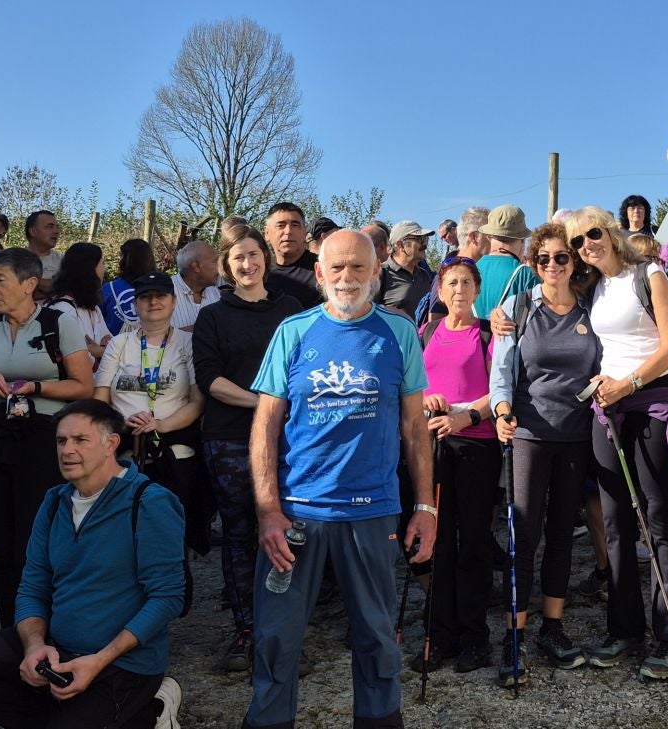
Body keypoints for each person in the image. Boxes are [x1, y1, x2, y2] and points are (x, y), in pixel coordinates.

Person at [244, 230, 435, 729]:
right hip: (297, 514)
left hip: (373, 512)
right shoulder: (293, 331)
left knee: (376, 639)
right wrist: (268, 510)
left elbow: (416, 428)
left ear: (376, 272)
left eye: (357, 268)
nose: (347, 279)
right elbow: (264, 425)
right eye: (337, 269)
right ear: (321, 273)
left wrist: (425, 507)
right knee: (275, 639)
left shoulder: (399, 332)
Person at [0, 400, 185, 729]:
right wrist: (34, 646)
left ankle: (148, 712)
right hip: (58, 652)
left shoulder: (149, 502)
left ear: (111, 443)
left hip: (123, 665)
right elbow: (33, 586)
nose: (67, 450)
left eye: (81, 440)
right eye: (62, 441)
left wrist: (100, 659)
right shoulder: (54, 501)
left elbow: (167, 598)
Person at [571, 205, 668, 682]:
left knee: (659, 520)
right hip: (608, 409)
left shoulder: (649, 273)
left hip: (651, 402)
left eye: (591, 234)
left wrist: (628, 384)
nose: (585, 246)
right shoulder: (593, 286)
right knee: (614, 524)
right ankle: (624, 630)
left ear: (610, 232)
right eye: (577, 242)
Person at [0, 247, 96, 627]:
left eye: (0, 279)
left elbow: (83, 386)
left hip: (41, 442)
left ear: (29, 283)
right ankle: (11, 632)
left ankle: (47, 628)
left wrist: (35, 387)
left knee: (34, 540)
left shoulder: (57, 323)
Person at [490, 221, 602, 682]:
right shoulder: (517, 307)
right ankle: (513, 634)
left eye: (561, 258)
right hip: (530, 433)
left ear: (573, 262)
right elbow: (501, 369)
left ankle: (552, 627)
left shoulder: (591, 311)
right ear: (532, 264)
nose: (552, 265)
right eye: (543, 259)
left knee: (561, 532)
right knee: (524, 532)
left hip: (576, 434)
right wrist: (500, 410)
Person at [193, 225, 303, 672]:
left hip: (289, 438)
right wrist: (264, 402)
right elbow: (210, 378)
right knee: (240, 534)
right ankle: (247, 630)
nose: (247, 264)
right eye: (238, 257)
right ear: (227, 265)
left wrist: (280, 410)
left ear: (266, 259)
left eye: (254, 255)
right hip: (231, 437)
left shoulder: (292, 310)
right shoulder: (213, 316)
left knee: (290, 534)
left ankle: (285, 632)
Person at [413, 258, 501, 673]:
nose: (459, 290)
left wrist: (468, 417)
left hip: (476, 445)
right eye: (452, 282)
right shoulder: (427, 331)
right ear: (440, 289)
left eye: (467, 282)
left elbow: (501, 389)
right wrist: (428, 399)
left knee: (474, 544)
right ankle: (440, 634)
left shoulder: (488, 333)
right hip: (435, 446)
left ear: (477, 289)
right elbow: (415, 384)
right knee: (440, 541)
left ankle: (474, 637)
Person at [94, 272, 210, 561]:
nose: (154, 302)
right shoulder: (119, 344)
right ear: (135, 304)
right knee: (124, 535)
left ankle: (174, 596)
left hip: (174, 451)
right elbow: (99, 399)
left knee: (171, 533)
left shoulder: (189, 342)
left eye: (161, 296)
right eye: (146, 297)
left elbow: (197, 401)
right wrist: (122, 425)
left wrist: (160, 424)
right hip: (125, 450)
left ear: (172, 302)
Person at [48, 243, 115, 367]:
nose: (104, 269)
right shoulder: (63, 309)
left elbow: (111, 342)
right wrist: (103, 352)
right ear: (89, 269)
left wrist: (101, 351)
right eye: (102, 263)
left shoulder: (94, 309)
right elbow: (78, 358)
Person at [474, 205, 538, 319]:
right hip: (510, 336)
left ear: (489, 237)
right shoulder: (526, 275)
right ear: (522, 240)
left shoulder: (469, 270)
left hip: (472, 336)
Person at [263, 201, 322, 307]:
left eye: (295, 225)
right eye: (281, 225)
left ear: (305, 232)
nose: (288, 231)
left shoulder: (323, 269)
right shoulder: (259, 272)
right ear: (267, 233)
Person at [378, 221, 435, 318]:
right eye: (420, 239)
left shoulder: (424, 275)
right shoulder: (381, 273)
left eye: (426, 239)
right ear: (400, 245)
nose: (425, 244)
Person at [99, 238, 156, 336]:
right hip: (151, 348)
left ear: (126, 260)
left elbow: (96, 321)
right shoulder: (161, 290)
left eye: (121, 256)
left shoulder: (109, 288)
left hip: (112, 348)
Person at [169, 240, 222, 332]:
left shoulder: (215, 292)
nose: (220, 267)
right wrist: (203, 328)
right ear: (196, 266)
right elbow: (153, 335)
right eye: (215, 261)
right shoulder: (163, 292)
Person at [24, 210, 66, 294]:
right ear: (33, 231)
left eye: (57, 227)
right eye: (49, 226)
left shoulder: (63, 260)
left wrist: (27, 281)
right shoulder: (15, 259)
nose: (56, 231)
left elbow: (70, 287)